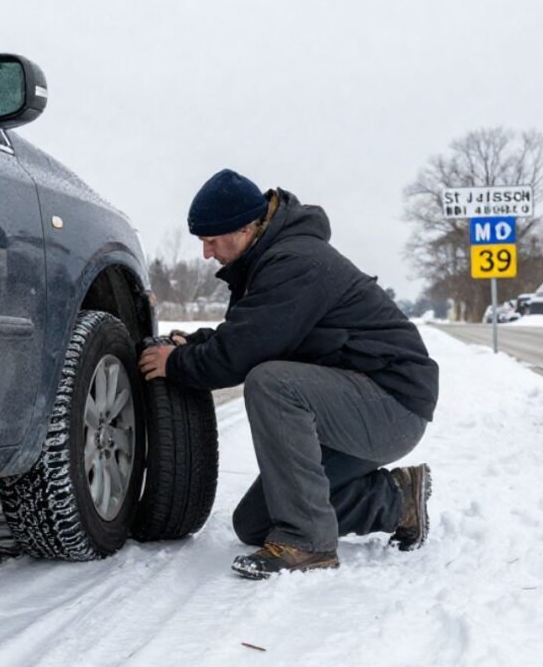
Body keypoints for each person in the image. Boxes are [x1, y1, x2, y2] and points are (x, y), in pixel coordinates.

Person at [139, 169, 439, 580]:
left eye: (211, 241)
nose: (206, 254)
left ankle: (309, 543)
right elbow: (256, 332)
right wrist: (194, 343)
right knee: (256, 524)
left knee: (271, 382)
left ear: (245, 229)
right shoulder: (273, 259)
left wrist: (174, 363)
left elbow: (239, 357)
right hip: (358, 406)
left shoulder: (296, 262)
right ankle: (395, 500)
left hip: (391, 404)